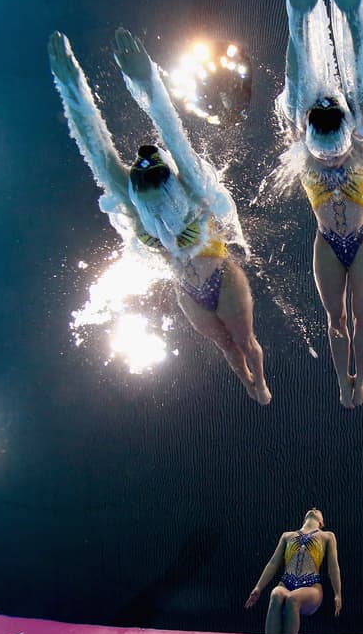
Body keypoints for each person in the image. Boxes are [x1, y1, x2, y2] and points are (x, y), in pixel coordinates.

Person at [48, 29, 271, 404]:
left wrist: (144, 77)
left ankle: (260, 382)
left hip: (222, 276)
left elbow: (171, 130)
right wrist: (70, 83)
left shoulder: (190, 184)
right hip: (189, 291)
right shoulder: (131, 198)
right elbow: (94, 146)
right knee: (226, 348)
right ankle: (248, 383)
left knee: (246, 342)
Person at [277, 0, 363, 409]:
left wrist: (354, 13)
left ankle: (361, 381)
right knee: (336, 321)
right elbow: (293, 79)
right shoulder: (302, 138)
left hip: (362, 240)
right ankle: (343, 381)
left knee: (362, 319)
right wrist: (297, 16)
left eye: (336, 152)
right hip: (326, 240)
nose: (332, 157)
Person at [245, 508, 342, 634]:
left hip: (311, 587)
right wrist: (258, 588)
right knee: (276, 594)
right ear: (304, 519)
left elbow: (333, 567)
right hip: (286, 584)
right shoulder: (287, 535)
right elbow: (273, 563)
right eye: (311, 509)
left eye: (317, 511)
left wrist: (337, 593)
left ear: (321, 523)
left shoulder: (327, 536)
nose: (314, 509)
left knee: (293, 599)